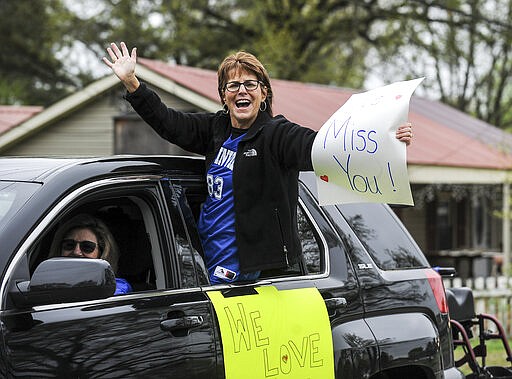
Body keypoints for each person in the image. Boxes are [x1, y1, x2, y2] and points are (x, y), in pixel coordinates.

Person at [103, 42, 414, 285]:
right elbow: (169, 123)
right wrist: (133, 83)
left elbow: (324, 147)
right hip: (206, 272)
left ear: (264, 93)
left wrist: (386, 139)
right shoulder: (215, 130)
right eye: (233, 86)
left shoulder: (276, 135)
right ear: (223, 96)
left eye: (250, 84)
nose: (242, 91)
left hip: (257, 280)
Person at [49, 213, 133, 295]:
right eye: (69, 245)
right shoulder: (46, 283)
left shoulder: (116, 288)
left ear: (101, 252)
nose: (76, 252)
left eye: (87, 247)